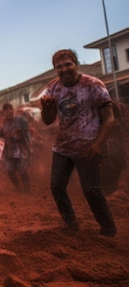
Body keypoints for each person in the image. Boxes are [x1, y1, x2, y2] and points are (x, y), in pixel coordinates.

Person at [40, 49, 117, 237]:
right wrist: (47, 109)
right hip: (63, 147)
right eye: (59, 67)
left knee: (91, 190)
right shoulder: (52, 89)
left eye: (68, 64)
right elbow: (49, 120)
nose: (64, 69)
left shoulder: (93, 85)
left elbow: (109, 119)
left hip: (88, 146)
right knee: (56, 187)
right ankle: (71, 225)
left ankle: (108, 229)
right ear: (55, 69)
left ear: (76, 64)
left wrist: (98, 145)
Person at [0, 103, 32, 192]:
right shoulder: (5, 123)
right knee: (9, 171)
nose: (8, 112)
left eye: (10, 109)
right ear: (4, 112)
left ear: (13, 110)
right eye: (6, 110)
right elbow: (0, 133)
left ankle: (27, 189)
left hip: (21, 149)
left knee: (22, 170)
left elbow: (27, 132)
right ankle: (18, 187)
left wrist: (28, 145)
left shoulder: (21, 120)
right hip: (9, 151)